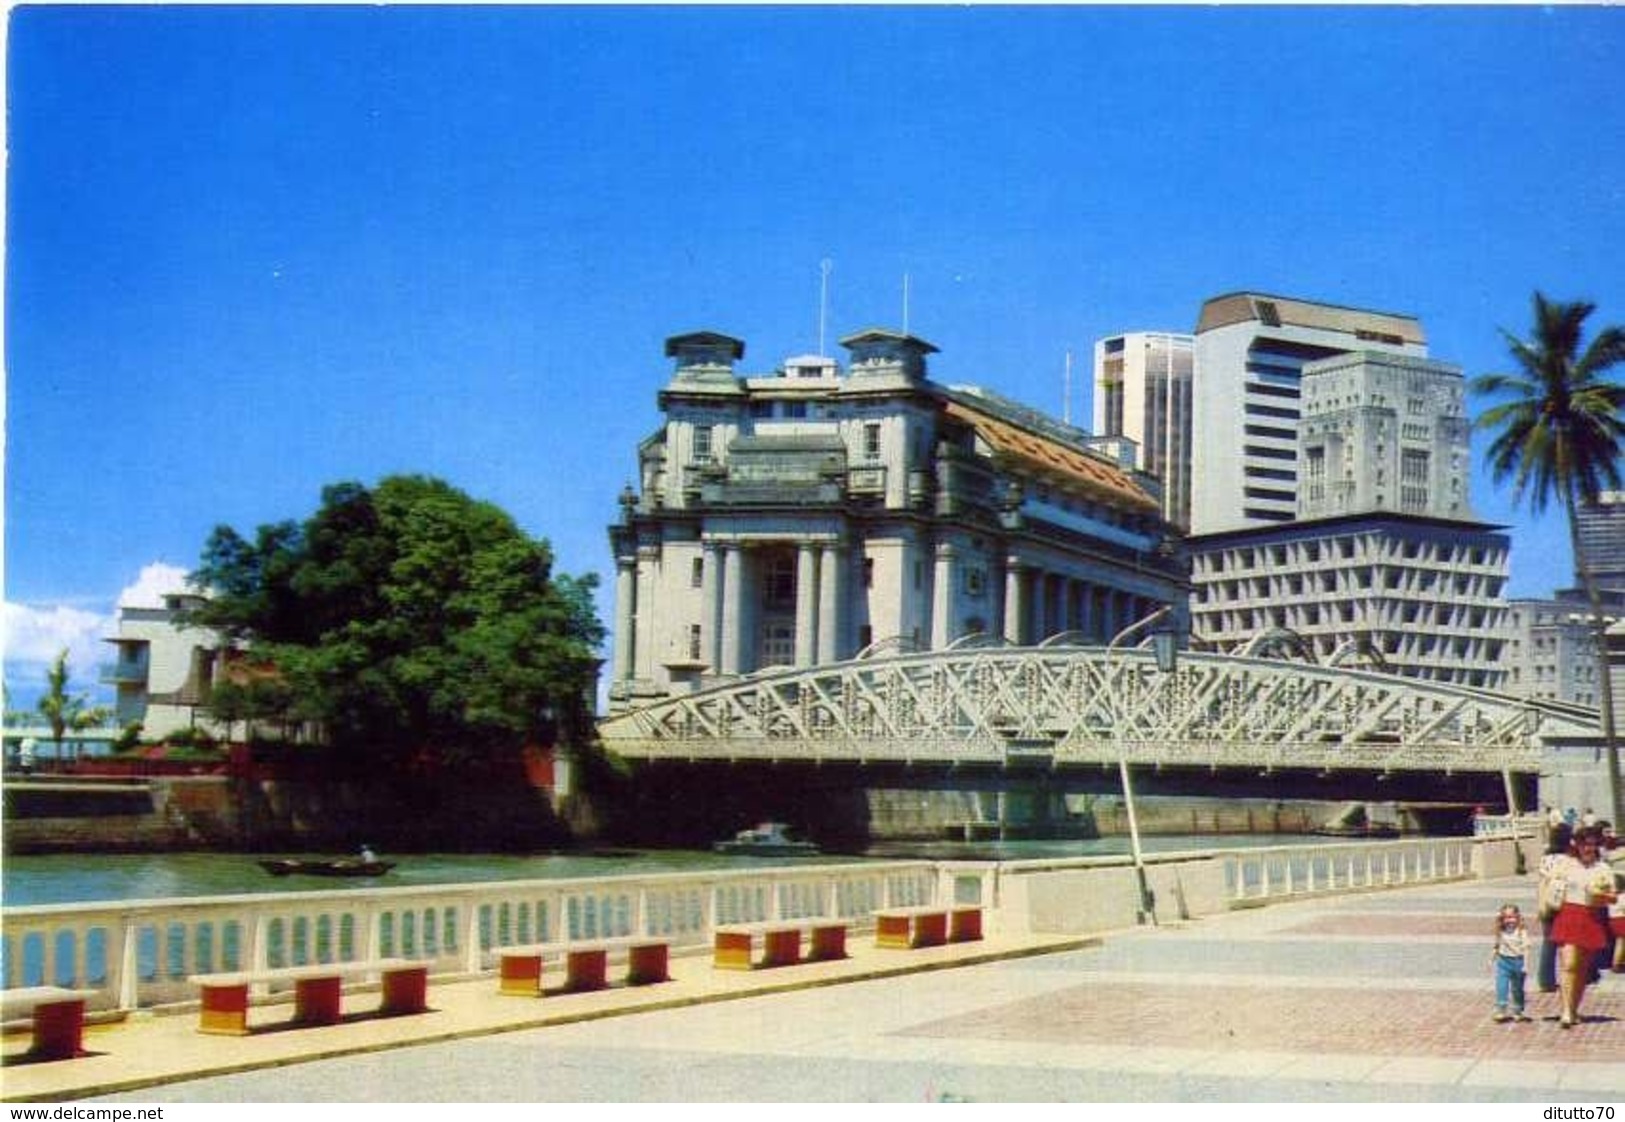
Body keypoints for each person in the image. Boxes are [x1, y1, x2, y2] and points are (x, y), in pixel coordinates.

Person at [1550, 825, 1618, 1028]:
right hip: (1569, 914)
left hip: (1592, 916)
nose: (1587, 848)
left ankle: (1573, 1008)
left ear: (1597, 845)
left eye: (1591, 844)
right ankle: (1566, 1011)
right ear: (1576, 845)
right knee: (1569, 964)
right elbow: (1551, 884)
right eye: (1583, 844)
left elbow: (1613, 897)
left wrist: (1602, 895)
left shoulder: (1603, 868)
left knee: (1582, 969)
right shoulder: (1566, 864)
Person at [1535, 822, 1572, 992]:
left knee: (1548, 943)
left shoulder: (1545, 859)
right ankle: (1572, 976)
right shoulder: (1568, 860)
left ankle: (1545, 980)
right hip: (1562, 904)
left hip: (1546, 904)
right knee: (1567, 943)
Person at [1489, 903, 1532, 1022]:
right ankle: (1501, 1009)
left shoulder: (1521, 931)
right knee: (1501, 985)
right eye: (1506, 917)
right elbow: (1496, 946)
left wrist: (1526, 965)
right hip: (1503, 961)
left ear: (1518, 917)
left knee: (1517, 988)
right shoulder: (1501, 931)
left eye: (1512, 917)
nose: (1510, 920)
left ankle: (1518, 1010)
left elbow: (1526, 948)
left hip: (1518, 961)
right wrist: (1491, 960)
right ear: (1502, 918)